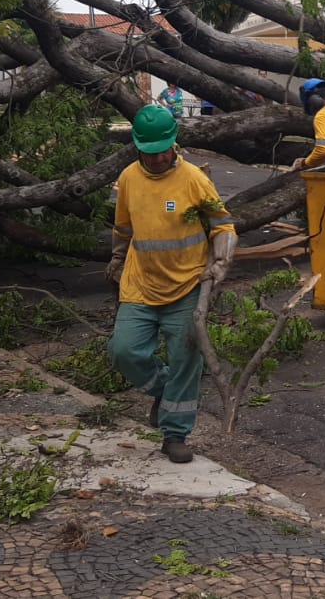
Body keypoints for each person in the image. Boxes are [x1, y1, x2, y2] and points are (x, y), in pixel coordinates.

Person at [106, 104, 237, 464]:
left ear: (174, 143)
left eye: (165, 149)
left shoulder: (194, 179)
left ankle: (175, 434)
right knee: (124, 351)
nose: (160, 157)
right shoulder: (129, 178)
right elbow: (123, 227)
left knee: (185, 360)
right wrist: (117, 258)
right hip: (141, 283)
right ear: (138, 148)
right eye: (151, 151)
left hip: (187, 284)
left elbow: (222, 225)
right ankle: (164, 392)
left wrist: (221, 264)